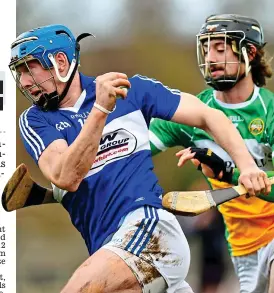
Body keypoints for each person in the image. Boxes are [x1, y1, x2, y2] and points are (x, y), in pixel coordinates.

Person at [9, 24, 270, 293]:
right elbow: (65, 176)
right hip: (108, 248)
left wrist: (248, 166)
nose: (25, 81)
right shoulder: (35, 121)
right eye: (19, 73)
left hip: (151, 232)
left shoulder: (131, 91)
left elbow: (208, 116)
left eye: (29, 69)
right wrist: (100, 110)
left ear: (60, 62)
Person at [149, 14, 274, 293]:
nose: (210, 57)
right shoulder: (193, 113)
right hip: (241, 245)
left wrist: (226, 173)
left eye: (220, 48)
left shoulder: (271, 112)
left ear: (249, 53)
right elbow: (129, 152)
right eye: (206, 49)